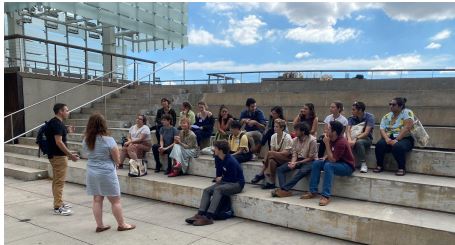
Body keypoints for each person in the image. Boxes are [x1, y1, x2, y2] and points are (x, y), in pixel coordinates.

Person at [82, 113, 136, 232]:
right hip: (106, 172)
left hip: (92, 171)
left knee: (97, 199)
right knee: (115, 200)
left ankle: (100, 225)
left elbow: (86, 154)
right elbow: (117, 160)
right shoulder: (109, 140)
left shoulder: (86, 140)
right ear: (103, 125)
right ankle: (122, 224)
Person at [185, 140, 245, 226]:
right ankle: (200, 214)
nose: (213, 150)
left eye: (215, 148)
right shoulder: (218, 158)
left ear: (220, 150)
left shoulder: (231, 161)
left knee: (218, 189)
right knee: (207, 190)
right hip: (225, 181)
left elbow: (233, 178)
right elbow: (219, 173)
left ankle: (209, 217)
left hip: (237, 184)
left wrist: (222, 179)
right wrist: (219, 178)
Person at [301, 121, 355, 206]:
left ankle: (326, 196)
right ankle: (312, 191)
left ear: (334, 132)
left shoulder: (341, 142)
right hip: (338, 162)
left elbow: (333, 160)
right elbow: (333, 153)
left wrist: (326, 143)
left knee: (328, 165)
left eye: (329, 129)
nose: (326, 130)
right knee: (317, 163)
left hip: (347, 166)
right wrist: (325, 157)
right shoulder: (331, 138)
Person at [45, 103, 79, 216]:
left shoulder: (54, 122)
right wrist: (70, 155)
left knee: (56, 181)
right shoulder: (58, 124)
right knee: (59, 182)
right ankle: (58, 207)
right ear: (60, 111)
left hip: (54, 155)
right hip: (58, 156)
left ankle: (58, 202)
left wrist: (67, 131)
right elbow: (58, 142)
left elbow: (57, 138)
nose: (68, 112)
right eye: (67, 110)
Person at [272, 122, 318, 197]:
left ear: (303, 132)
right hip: (298, 160)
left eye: (297, 130)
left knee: (302, 171)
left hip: (310, 161)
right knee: (280, 169)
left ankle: (283, 189)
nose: (294, 132)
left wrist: (297, 163)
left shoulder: (312, 140)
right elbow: (294, 154)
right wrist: (293, 162)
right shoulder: (295, 140)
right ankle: (285, 190)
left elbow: (311, 157)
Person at [374, 97, 414, 176]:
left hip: (405, 138)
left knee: (397, 146)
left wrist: (397, 139)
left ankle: (401, 168)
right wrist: (386, 139)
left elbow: (407, 127)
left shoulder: (407, 112)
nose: (391, 106)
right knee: (379, 145)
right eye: (390, 104)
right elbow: (382, 129)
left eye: (393, 104)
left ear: (400, 106)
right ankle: (379, 165)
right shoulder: (387, 116)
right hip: (389, 137)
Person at [251, 119, 293, 189]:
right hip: (277, 157)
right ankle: (272, 183)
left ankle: (261, 173)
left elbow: (287, 152)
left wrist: (275, 153)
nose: (274, 128)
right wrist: (274, 154)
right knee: (271, 161)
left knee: (270, 153)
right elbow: (272, 150)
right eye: (274, 126)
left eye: (277, 127)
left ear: (282, 128)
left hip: (286, 158)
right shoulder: (273, 136)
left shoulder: (287, 137)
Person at [346, 101, 375, 173]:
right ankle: (346, 162)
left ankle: (363, 163)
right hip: (352, 138)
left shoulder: (370, 117)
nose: (352, 111)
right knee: (344, 142)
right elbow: (348, 131)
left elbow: (366, 133)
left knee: (359, 142)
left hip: (366, 138)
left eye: (354, 110)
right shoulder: (351, 118)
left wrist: (355, 139)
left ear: (360, 110)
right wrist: (349, 140)